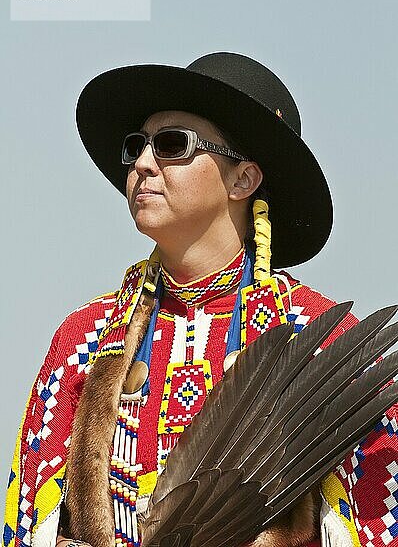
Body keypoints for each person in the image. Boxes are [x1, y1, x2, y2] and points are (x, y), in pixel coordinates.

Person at [2, 52, 398, 547]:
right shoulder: (83, 340)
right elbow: (25, 526)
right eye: (137, 146)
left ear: (242, 180)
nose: (143, 163)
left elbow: (382, 519)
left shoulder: (313, 340)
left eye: (172, 145)